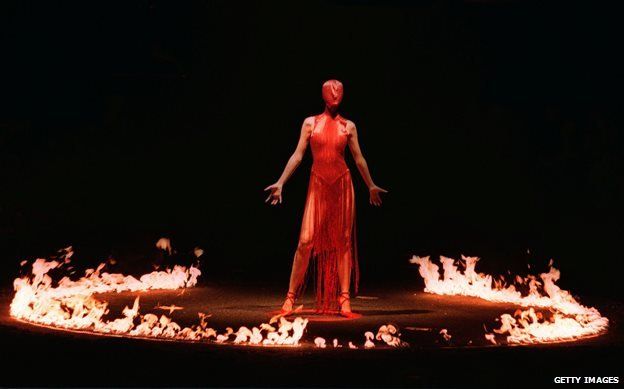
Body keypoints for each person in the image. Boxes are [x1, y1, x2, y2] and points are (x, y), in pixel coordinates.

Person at [265, 80, 386, 317]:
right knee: (305, 240)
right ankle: (290, 297)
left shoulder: (348, 126)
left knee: (343, 242)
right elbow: (298, 155)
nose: (335, 95)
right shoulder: (310, 123)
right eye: (331, 92)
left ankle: (344, 300)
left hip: (342, 186)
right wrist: (281, 181)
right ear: (323, 95)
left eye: (339, 92)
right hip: (318, 185)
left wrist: (370, 184)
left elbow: (359, 158)